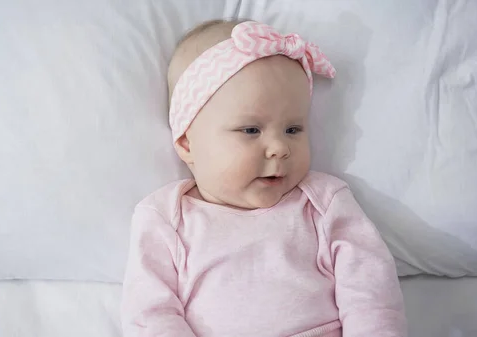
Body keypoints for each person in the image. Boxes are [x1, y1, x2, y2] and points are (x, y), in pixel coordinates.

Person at [121, 19, 407, 337]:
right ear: (188, 142)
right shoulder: (165, 217)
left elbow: (370, 290)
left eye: (293, 129)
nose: (280, 148)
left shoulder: (323, 202)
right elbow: (150, 313)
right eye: (251, 130)